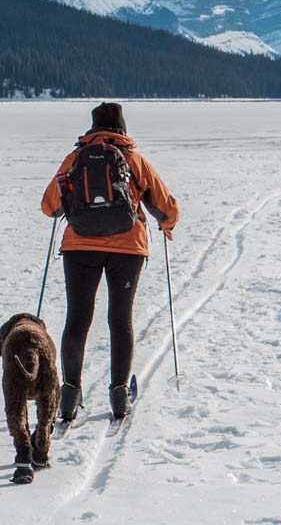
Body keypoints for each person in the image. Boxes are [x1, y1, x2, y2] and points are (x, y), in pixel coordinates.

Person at [40, 102, 180, 422]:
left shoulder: (75, 159)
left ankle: (69, 395)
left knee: (77, 319)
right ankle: (119, 396)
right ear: (123, 127)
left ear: (93, 128)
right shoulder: (134, 160)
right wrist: (166, 225)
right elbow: (166, 206)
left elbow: (50, 206)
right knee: (120, 319)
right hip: (128, 249)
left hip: (79, 247)